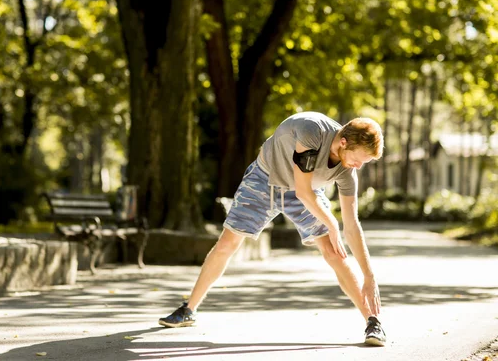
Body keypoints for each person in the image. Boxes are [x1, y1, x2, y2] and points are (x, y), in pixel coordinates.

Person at [157, 111, 387, 346]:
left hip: (305, 191)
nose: (358, 167)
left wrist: (369, 276)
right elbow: (303, 192)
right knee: (227, 244)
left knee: (334, 253)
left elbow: (352, 225)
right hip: (265, 181)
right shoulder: (312, 131)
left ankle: (373, 322)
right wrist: (331, 224)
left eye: (364, 163)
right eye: (359, 159)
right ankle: (188, 309)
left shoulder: (348, 171)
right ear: (344, 142)